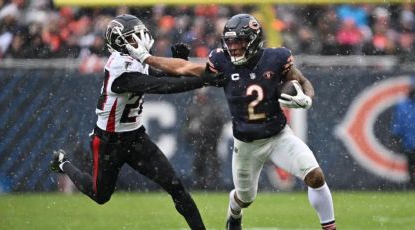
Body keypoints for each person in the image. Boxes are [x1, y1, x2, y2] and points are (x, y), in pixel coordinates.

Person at [126, 13, 336, 230]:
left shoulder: (276, 58)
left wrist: (307, 98)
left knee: (315, 176)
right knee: (245, 198)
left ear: (253, 40)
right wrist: (147, 58)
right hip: (246, 145)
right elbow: (185, 68)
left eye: (239, 41)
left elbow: (301, 80)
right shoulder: (222, 62)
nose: (233, 47)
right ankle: (234, 211)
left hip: (279, 136)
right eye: (229, 41)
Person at [50, 14, 224, 230]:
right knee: (100, 195)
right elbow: (162, 87)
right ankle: (63, 163)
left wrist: (183, 65)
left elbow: (163, 75)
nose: (140, 40)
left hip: (134, 136)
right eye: (133, 38)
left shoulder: (134, 61)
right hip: (108, 142)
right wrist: (204, 80)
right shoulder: (119, 69)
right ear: (120, 42)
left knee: (176, 187)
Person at [185, 88, 225, 190]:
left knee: (213, 162)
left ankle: (213, 184)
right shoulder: (193, 108)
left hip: (211, 139)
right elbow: (188, 126)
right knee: (199, 162)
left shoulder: (213, 107)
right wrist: (190, 135)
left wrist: (215, 135)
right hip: (199, 140)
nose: (200, 97)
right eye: (199, 95)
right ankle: (200, 183)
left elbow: (220, 122)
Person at [392, 77, 415, 189]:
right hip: (409, 140)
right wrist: (396, 135)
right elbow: (398, 121)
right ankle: (413, 185)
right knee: (411, 163)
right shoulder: (403, 104)